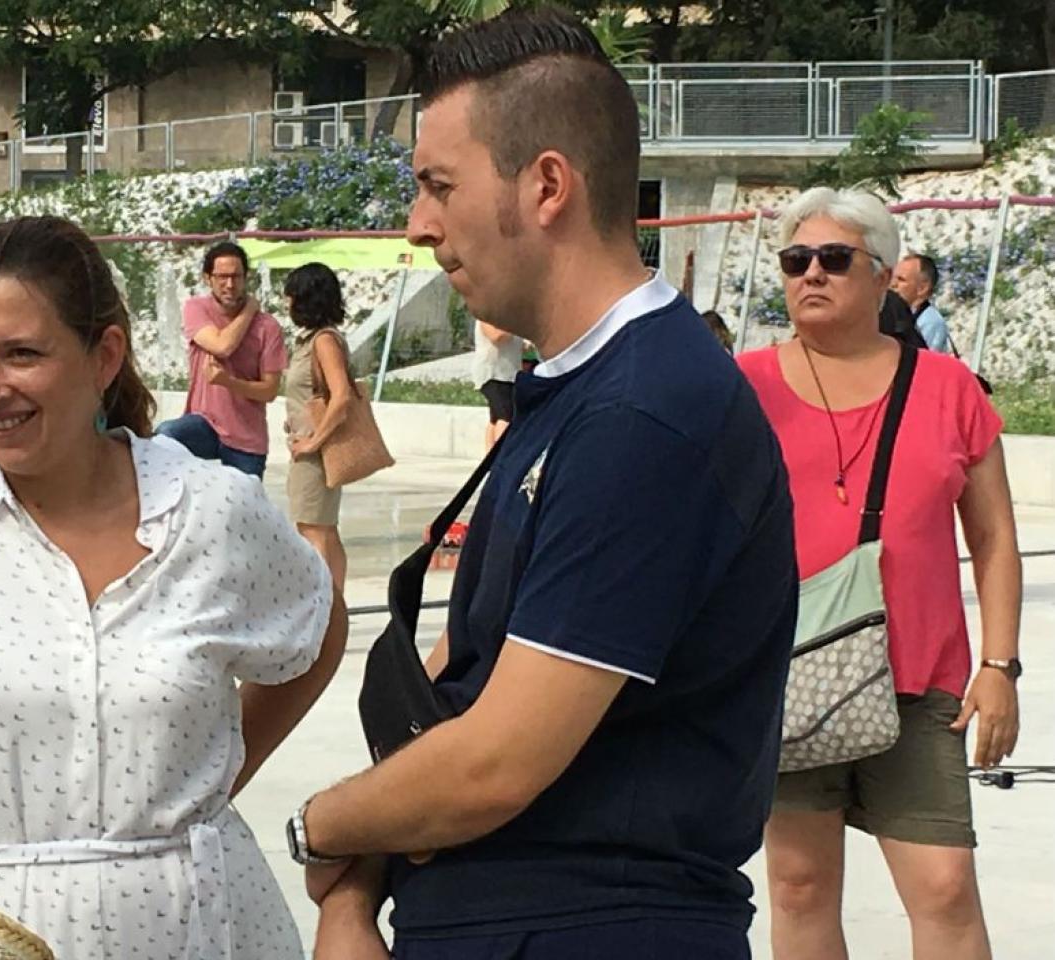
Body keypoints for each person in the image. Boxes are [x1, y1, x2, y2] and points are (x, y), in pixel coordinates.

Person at [292, 12, 797, 960]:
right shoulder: (582, 391)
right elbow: (466, 670)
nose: (420, 225)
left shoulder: (644, 415)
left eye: (439, 186)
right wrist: (359, 881)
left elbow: (496, 761)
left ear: (548, 184)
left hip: (590, 925)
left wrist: (320, 831)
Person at [0, 216, 345, 958]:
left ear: (105, 356)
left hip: (198, 927)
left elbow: (316, 627)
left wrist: (214, 780)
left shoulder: (212, 510)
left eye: (22, 354)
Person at [738, 187, 1022, 960]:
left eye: (835, 259)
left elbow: (994, 539)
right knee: (798, 885)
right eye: (797, 261)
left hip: (920, 676)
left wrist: (998, 666)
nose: (812, 275)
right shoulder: (743, 389)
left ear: (883, 275)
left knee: (943, 887)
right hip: (789, 676)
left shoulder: (948, 389)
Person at [154, 241, 287, 479]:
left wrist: (229, 382)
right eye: (222, 277)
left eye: (236, 276)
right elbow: (222, 346)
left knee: (246, 512)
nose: (230, 284)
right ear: (208, 278)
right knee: (166, 436)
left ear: (246, 278)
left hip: (246, 438)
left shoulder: (268, 327)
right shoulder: (196, 309)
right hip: (205, 424)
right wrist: (248, 311)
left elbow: (269, 391)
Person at [283, 262, 354, 589]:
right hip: (307, 445)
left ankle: (324, 602)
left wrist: (313, 441)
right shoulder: (314, 340)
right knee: (322, 527)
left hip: (314, 453)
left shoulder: (323, 342)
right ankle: (333, 600)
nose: (287, 303)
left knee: (313, 529)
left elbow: (341, 397)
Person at [472, 319, 523, 448]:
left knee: (495, 417)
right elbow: (496, 337)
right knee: (506, 416)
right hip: (493, 374)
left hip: (509, 374)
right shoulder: (487, 315)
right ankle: (503, 457)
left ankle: (491, 459)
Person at [891, 253, 953, 354]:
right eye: (892, 278)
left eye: (901, 280)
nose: (893, 284)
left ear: (922, 289)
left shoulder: (931, 322)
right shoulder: (893, 313)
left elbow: (926, 364)